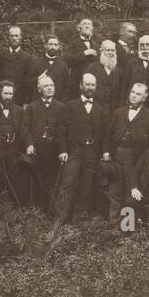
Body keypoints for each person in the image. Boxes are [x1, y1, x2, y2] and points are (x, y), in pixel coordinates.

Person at [54, 72, 107, 224]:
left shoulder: (100, 109)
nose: (90, 87)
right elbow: (61, 131)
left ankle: (78, 219)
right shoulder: (70, 106)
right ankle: (60, 218)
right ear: (81, 86)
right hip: (74, 151)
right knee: (68, 183)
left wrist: (102, 151)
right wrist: (63, 150)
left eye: (93, 85)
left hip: (91, 152)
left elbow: (103, 133)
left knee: (86, 185)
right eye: (87, 84)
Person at [106, 82, 149, 221]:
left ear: (145, 97)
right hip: (117, 154)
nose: (134, 96)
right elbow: (108, 134)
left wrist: (144, 159)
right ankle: (114, 222)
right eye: (133, 92)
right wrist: (107, 151)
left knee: (132, 190)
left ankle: (127, 226)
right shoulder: (118, 112)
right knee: (115, 189)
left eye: (138, 94)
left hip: (136, 157)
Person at [23, 75, 66, 214]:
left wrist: (62, 151)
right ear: (39, 89)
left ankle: (49, 213)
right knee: (36, 181)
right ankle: (34, 211)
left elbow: (62, 132)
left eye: (51, 85)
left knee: (51, 181)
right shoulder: (32, 107)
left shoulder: (61, 107)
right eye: (46, 86)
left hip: (53, 151)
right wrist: (29, 145)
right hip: (37, 150)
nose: (49, 88)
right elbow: (25, 128)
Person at [0, 25, 40, 105]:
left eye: (16, 36)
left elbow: (29, 83)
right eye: (12, 36)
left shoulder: (27, 58)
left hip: (19, 100)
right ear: (8, 38)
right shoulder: (0, 56)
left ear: (20, 37)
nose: (14, 38)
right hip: (1, 99)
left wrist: (27, 102)